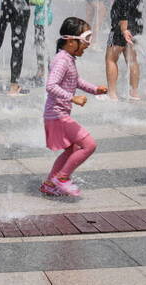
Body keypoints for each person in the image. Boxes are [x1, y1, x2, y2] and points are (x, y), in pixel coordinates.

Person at [41, 17, 107, 196]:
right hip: (57, 115)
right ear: (71, 42)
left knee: (73, 149)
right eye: (86, 39)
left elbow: (75, 80)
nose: (88, 44)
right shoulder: (62, 60)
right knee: (89, 145)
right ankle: (62, 178)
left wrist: (95, 90)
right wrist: (72, 98)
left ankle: (49, 184)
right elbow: (51, 85)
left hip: (56, 115)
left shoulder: (68, 58)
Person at [105, 0, 146, 101]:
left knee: (111, 59)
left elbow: (123, 9)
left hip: (122, 28)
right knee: (132, 60)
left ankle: (112, 94)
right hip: (136, 26)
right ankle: (134, 93)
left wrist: (123, 30)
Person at [28, 0, 54, 84]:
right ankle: (47, 71)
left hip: (40, 18)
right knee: (44, 44)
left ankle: (42, 72)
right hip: (47, 16)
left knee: (40, 45)